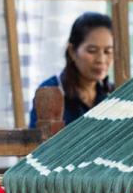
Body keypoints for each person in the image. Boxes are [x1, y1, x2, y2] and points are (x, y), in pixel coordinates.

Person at [30, 11, 115, 140]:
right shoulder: (50, 91)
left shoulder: (112, 95)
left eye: (108, 51)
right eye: (92, 51)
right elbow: (37, 146)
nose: (101, 59)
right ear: (72, 51)